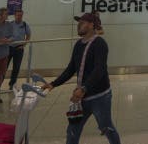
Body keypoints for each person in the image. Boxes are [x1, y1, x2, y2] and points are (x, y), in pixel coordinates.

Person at [41, 13, 120, 144]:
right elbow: (71, 68)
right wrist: (53, 84)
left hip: (99, 97)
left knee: (106, 128)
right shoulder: (78, 44)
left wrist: (84, 88)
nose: (79, 25)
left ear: (91, 25)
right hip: (81, 97)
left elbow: (99, 70)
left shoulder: (100, 44)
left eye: (82, 22)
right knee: (73, 130)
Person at [8, 8, 32, 90]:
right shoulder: (10, 24)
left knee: (16, 68)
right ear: (14, 15)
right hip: (9, 48)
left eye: (21, 15)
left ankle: (12, 85)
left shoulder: (25, 24)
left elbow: (28, 35)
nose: (19, 17)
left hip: (19, 49)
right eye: (18, 15)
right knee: (4, 67)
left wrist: (24, 44)